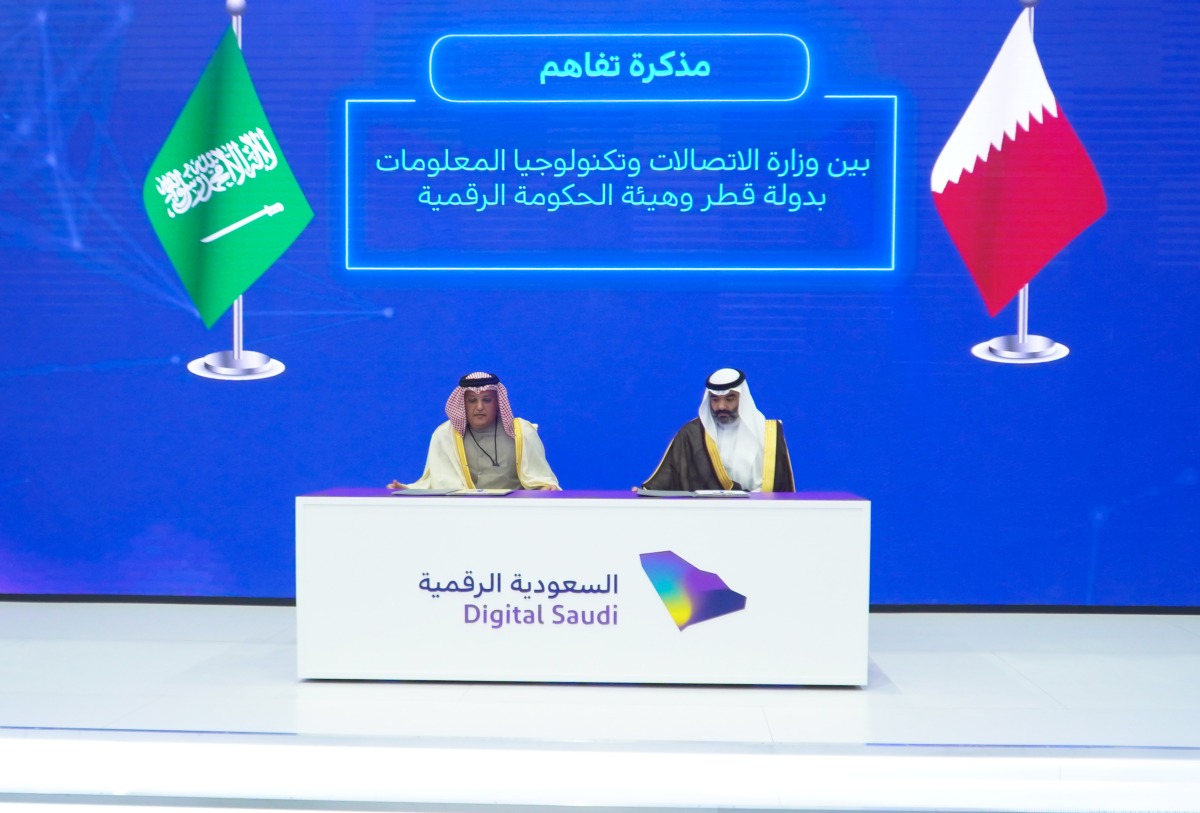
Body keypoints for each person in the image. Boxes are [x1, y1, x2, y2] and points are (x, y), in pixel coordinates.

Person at [389, 372, 561, 491]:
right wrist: (409, 490)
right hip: (463, 513)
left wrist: (545, 488)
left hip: (512, 512)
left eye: (486, 400)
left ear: (497, 403)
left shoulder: (522, 432)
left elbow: (539, 478)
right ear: (463, 404)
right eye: (472, 400)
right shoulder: (445, 435)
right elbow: (435, 481)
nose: (479, 407)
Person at [639, 368, 794, 492]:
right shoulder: (692, 434)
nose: (721, 406)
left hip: (760, 513)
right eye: (715, 399)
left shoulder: (769, 434)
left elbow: (782, 484)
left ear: (742, 398)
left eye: (729, 399)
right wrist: (644, 492)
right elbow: (669, 474)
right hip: (707, 515)